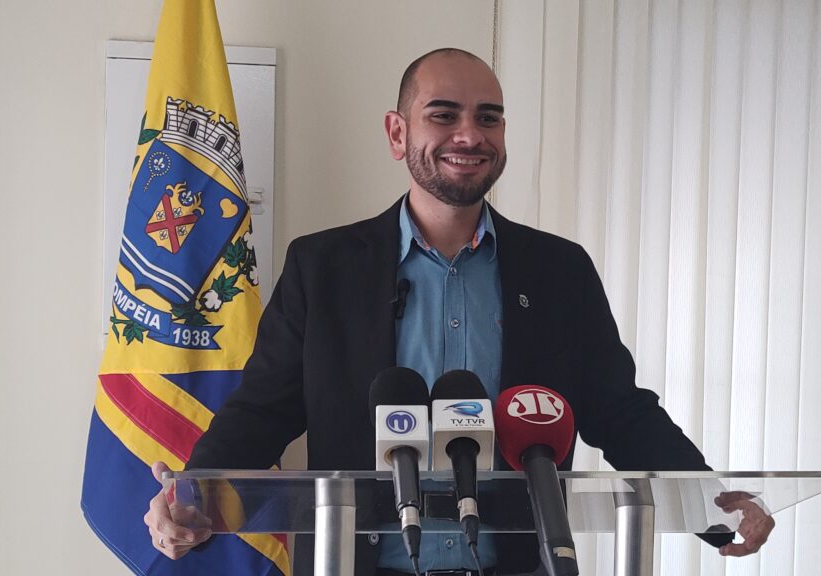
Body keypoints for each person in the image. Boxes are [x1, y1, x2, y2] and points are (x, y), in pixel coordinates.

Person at [145, 48, 774, 575]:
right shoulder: (322, 266)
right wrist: (194, 496)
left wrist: (713, 505)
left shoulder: (560, 271)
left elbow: (620, 411)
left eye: (489, 118)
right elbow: (262, 411)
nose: (470, 135)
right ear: (398, 133)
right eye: (443, 115)